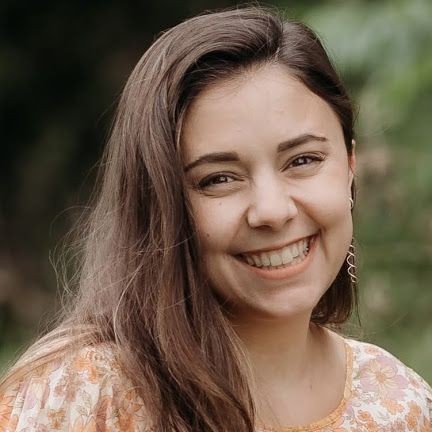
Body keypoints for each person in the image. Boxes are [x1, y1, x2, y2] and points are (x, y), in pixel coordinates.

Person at [0, 6, 431, 432]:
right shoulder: (78, 396)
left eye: (303, 159)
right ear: (161, 203)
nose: (272, 211)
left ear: (351, 164)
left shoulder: (399, 403)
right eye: (219, 179)